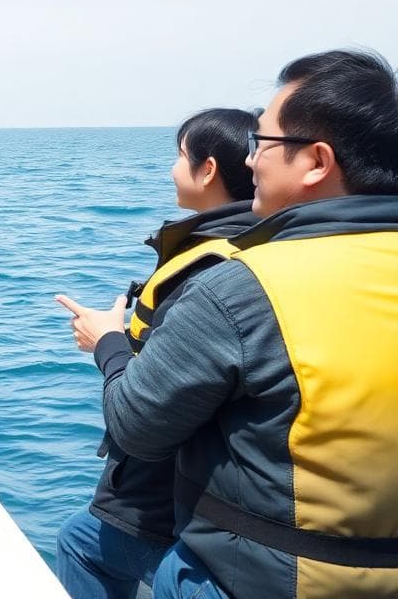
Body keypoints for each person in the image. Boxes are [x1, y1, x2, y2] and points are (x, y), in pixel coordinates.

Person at [63, 50, 398, 599]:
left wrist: (109, 345)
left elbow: (137, 427)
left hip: (277, 579)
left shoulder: (240, 288)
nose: (251, 163)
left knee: (104, 547)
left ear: (315, 161)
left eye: (261, 144)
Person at [52, 108, 259, 598]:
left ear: (207, 169)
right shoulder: (258, 247)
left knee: (81, 542)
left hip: (166, 498)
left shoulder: (207, 269)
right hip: (228, 498)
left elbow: (146, 416)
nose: (171, 168)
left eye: (180, 155)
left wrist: (106, 341)